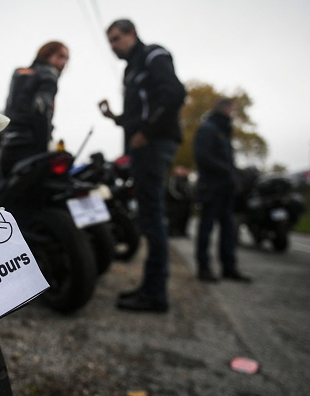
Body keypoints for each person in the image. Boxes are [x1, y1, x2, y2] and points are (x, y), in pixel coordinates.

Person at [99, 19, 186, 313]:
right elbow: (136, 116)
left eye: (116, 38)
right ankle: (150, 287)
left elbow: (174, 94)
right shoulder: (130, 69)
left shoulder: (153, 55)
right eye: (109, 41)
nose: (113, 45)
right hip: (143, 146)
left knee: (152, 215)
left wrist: (145, 132)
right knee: (148, 215)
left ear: (132, 34)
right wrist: (115, 116)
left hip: (154, 144)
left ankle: (155, 294)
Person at [193, 98, 252, 283]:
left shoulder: (223, 131)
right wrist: (227, 170)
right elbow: (202, 157)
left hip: (226, 188)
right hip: (211, 188)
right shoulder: (208, 129)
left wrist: (234, 176)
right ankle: (204, 267)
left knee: (228, 230)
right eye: (232, 110)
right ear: (225, 109)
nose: (233, 113)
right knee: (207, 228)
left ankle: (229, 267)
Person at [0, 41, 69, 175]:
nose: (64, 62)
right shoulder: (48, 74)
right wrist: (44, 146)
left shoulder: (20, 72)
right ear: (47, 54)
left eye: (66, 59)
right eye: (61, 56)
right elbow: (41, 108)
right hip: (30, 146)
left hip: (8, 144)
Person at [166, 165, 193, 237]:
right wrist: (179, 198)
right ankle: (171, 232)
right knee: (174, 218)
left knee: (185, 218)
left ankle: (182, 231)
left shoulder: (186, 180)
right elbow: (171, 190)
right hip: (176, 203)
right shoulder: (173, 178)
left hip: (186, 203)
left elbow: (190, 190)